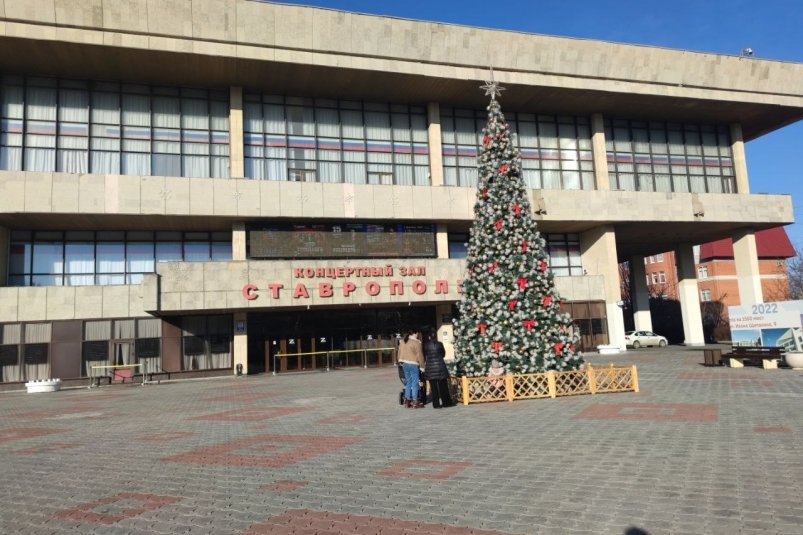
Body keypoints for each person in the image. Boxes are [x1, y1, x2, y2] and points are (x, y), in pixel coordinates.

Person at [423, 327, 454, 409]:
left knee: (433, 387)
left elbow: (425, 355)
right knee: (443, 385)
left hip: (430, 367)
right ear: (435, 336)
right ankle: (446, 402)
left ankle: (436, 404)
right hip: (440, 366)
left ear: (429, 336)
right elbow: (443, 354)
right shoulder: (439, 344)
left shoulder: (426, 345)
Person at [398, 330, 424, 408]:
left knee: (408, 383)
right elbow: (420, 355)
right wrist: (422, 366)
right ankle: (415, 401)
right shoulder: (417, 343)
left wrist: (400, 361)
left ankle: (407, 401)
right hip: (413, 364)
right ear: (416, 333)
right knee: (415, 383)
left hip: (404, 364)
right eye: (417, 333)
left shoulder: (402, 341)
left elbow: (399, 353)